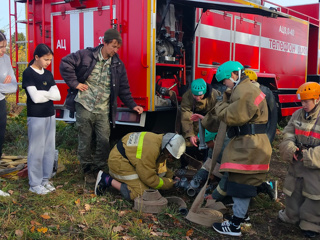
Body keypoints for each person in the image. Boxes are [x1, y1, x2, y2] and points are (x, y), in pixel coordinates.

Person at [60, 29, 144, 184]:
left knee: (104, 139)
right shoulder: (86, 55)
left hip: (103, 109)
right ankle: (86, 170)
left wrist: (133, 105)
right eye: (113, 46)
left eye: (117, 48)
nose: (115, 50)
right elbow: (65, 62)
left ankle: (100, 168)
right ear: (104, 43)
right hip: (84, 104)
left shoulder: (118, 64)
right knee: (85, 139)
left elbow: (124, 89)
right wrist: (75, 84)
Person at [210, 61, 272, 237]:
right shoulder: (244, 89)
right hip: (249, 144)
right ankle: (242, 215)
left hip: (250, 146)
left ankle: (235, 225)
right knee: (243, 179)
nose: (224, 85)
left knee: (240, 183)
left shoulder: (245, 91)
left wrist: (221, 104)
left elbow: (232, 116)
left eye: (225, 81)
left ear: (234, 75)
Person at [278, 82, 320, 238]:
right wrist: (290, 147)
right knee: (292, 190)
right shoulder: (297, 114)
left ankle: (311, 223)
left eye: (306, 101)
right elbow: (288, 133)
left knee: (314, 195)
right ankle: (291, 216)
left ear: (316, 99)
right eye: (301, 101)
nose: (303, 104)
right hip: (297, 162)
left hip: (315, 166)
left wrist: (309, 156)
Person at [94, 132, 186, 200]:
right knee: (143, 192)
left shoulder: (160, 142)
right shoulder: (151, 150)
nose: (170, 158)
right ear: (167, 147)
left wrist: (172, 177)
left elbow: (161, 168)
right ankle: (106, 179)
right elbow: (148, 178)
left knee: (153, 181)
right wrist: (169, 183)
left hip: (126, 159)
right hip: (118, 162)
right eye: (170, 155)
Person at [22, 44, 61, 195]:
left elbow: (57, 96)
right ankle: (35, 183)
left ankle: (45, 180)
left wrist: (43, 93)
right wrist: (47, 94)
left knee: (49, 149)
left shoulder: (48, 74)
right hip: (36, 116)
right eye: (46, 59)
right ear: (36, 57)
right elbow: (35, 98)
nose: (48, 63)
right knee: (36, 150)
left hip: (49, 115)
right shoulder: (28, 73)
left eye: (50, 60)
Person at [0, 32, 17, 197]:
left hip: (1, 103)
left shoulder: (4, 59)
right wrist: (3, 84)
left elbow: (13, 85)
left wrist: (1, 86)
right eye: (0, 47)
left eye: (5, 46)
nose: (3, 50)